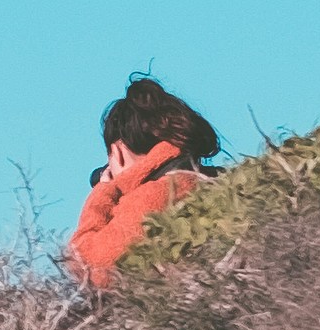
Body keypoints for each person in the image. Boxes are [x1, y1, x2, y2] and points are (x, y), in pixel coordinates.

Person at [68, 74, 222, 288]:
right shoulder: (207, 179)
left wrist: (105, 191)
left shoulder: (152, 196)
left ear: (118, 151)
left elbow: (87, 264)